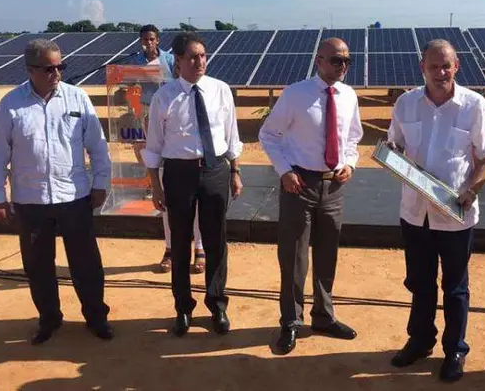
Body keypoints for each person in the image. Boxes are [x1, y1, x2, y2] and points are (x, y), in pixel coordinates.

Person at [0, 39, 113, 345]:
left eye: (60, 66)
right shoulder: (12, 105)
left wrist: (101, 183)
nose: (56, 73)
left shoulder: (77, 99)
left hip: (74, 196)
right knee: (38, 265)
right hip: (32, 201)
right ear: (30, 70)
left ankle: (96, 317)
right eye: (49, 68)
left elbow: (97, 147)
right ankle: (49, 318)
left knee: (86, 264)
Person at [386, 39, 485, 382]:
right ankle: (420, 341)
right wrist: (390, 152)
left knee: (455, 287)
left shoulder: (474, 105)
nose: (440, 72)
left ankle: (455, 351)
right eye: (433, 66)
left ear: (457, 66)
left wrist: (471, 190)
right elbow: (396, 144)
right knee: (419, 283)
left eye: (446, 65)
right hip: (414, 212)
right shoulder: (406, 104)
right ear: (423, 68)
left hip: (454, 216)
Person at [259, 38, 363, 355]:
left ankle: (323, 317)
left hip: (333, 186)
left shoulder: (348, 96)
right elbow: (268, 135)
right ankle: (291, 322)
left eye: (346, 60)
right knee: (294, 257)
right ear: (318, 60)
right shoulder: (296, 94)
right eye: (335, 60)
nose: (342, 66)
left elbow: (353, 137)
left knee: (327, 253)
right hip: (299, 185)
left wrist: (350, 163)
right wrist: (284, 171)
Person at [142, 32, 243, 337]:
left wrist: (235, 171)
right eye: (192, 57)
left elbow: (231, 134)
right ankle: (183, 308)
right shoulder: (164, 97)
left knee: (216, 242)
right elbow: (154, 146)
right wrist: (156, 187)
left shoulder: (221, 90)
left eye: (203, 55)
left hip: (215, 171)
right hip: (178, 174)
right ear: (178, 62)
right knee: (181, 243)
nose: (199, 62)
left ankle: (217, 305)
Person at [131, 25, 204, 275]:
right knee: (167, 198)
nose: (147, 43)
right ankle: (171, 248)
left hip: (177, 120)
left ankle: (200, 249)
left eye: (151, 39)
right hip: (148, 118)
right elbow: (128, 87)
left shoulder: (171, 59)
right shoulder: (133, 61)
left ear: (157, 40)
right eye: (144, 39)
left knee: (198, 203)